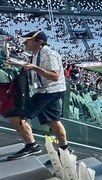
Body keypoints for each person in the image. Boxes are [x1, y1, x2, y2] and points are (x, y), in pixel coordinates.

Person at [6, 30, 70, 160]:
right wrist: (20, 64)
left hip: (48, 91)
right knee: (53, 122)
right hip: (50, 91)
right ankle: (64, 149)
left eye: (28, 40)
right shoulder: (37, 54)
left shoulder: (48, 54)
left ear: (39, 42)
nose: (25, 43)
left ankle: (32, 145)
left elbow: (54, 76)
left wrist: (34, 68)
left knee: (15, 114)